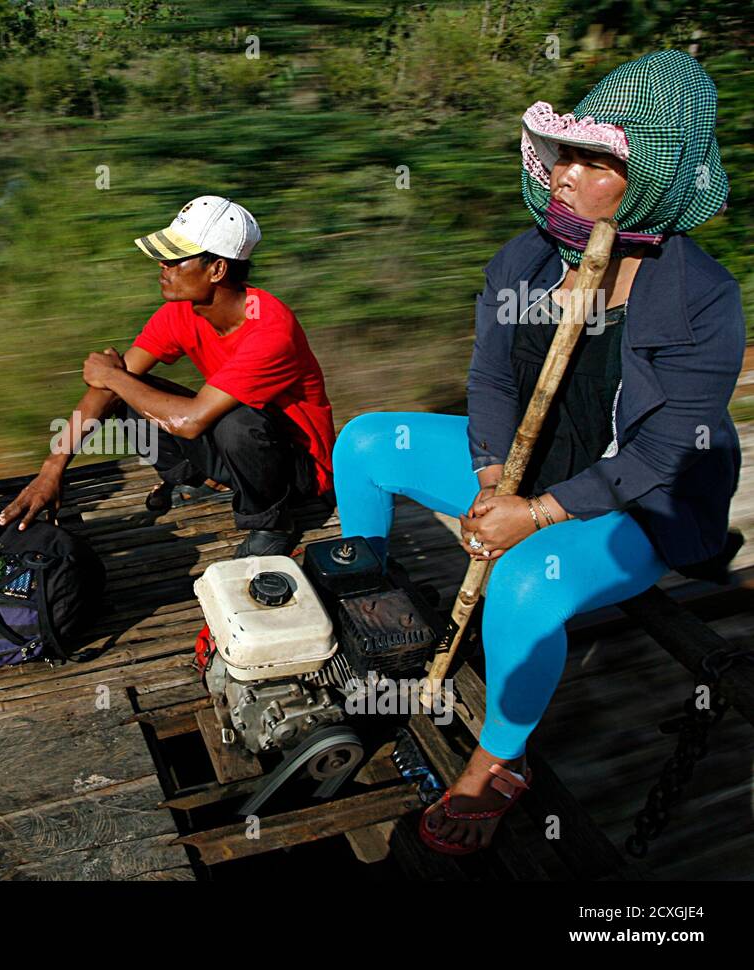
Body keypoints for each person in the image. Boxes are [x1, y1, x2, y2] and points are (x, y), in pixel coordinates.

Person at [331, 50, 744, 854]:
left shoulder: (703, 298)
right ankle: (377, 612)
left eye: (597, 161)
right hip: (524, 471)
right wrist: (493, 481)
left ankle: (499, 762)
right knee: (367, 441)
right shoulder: (528, 259)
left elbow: (662, 452)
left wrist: (540, 514)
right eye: (567, 155)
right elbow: (487, 378)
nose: (564, 174)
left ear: (650, 179)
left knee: (524, 582)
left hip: (637, 504)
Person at [0, 195, 337, 557]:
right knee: (129, 391)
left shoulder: (270, 329)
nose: (162, 265)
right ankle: (200, 478)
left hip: (299, 471)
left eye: (176, 259)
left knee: (234, 423)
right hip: (241, 450)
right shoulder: (182, 312)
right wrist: (52, 468)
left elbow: (189, 422)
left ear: (217, 270)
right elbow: (109, 386)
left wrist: (113, 378)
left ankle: (271, 523)